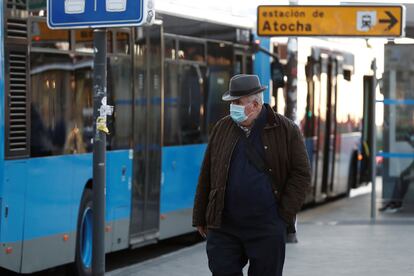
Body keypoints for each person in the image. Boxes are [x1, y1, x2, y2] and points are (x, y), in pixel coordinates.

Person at [192, 74, 311, 276]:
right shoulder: (223, 127)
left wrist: (283, 216)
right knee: (222, 270)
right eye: (232, 102)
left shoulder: (286, 129)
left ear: (255, 105)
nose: (233, 108)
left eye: (238, 102)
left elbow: (301, 174)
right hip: (224, 226)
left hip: (266, 226)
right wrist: (201, 216)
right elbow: (207, 172)